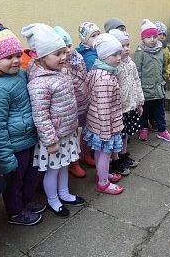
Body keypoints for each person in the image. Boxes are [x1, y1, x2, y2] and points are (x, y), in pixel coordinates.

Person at [0, 20, 44, 226]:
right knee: (14, 182)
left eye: (16, 55)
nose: (15, 60)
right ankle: (15, 212)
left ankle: (26, 203)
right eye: (8, 57)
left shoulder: (19, 74)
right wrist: (5, 158)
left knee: (31, 176)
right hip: (13, 147)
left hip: (28, 138)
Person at [23, 24, 85, 218]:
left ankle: (64, 193)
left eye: (63, 52)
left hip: (67, 132)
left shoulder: (59, 71)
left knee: (64, 165)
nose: (63, 57)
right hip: (54, 138)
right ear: (41, 57)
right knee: (53, 170)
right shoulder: (39, 82)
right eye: (57, 54)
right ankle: (52, 200)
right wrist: (50, 141)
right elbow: (41, 115)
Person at [83, 33, 125, 195]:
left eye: (119, 53)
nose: (119, 57)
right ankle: (103, 183)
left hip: (99, 123)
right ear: (104, 56)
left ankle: (103, 174)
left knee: (102, 153)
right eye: (114, 54)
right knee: (104, 153)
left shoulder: (98, 70)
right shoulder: (105, 78)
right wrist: (106, 131)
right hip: (105, 125)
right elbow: (103, 107)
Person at [54, 26, 89, 178]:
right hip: (69, 108)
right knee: (72, 135)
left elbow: (84, 75)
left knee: (86, 130)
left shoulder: (78, 57)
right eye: (63, 48)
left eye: (69, 46)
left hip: (83, 101)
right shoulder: (58, 66)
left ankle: (85, 154)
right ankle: (73, 163)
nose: (68, 50)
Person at [109, 29, 144, 175]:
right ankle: (115, 159)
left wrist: (140, 102)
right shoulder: (114, 68)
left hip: (130, 106)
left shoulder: (131, 64)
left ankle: (123, 154)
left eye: (127, 45)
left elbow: (136, 82)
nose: (126, 49)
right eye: (122, 47)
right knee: (117, 136)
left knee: (127, 133)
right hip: (119, 109)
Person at [135, 19, 170, 143]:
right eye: (148, 37)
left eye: (154, 36)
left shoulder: (161, 51)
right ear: (143, 39)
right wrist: (139, 87)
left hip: (158, 88)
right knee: (144, 111)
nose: (152, 39)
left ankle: (162, 130)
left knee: (160, 111)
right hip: (145, 89)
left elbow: (164, 66)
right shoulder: (140, 52)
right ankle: (144, 129)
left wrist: (163, 78)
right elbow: (137, 71)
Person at [76, 21, 102, 167]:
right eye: (93, 36)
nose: (97, 38)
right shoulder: (87, 55)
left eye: (98, 35)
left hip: (92, 96)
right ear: (84, 39)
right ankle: (84, 155)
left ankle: (87, 153)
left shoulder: (96, 52)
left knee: (89, 127)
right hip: (88, 97)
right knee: (86, 128)